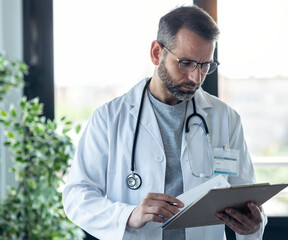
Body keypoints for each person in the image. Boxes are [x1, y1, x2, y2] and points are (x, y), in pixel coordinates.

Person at [62, 5, 267, 240]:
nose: (195, 77)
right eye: (186, 63)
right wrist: (129, 215)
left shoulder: (225, 117)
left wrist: (253, 226)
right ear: (156, 53)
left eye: (205, 66)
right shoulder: (109, 118)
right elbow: (77, 196)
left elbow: (246, 195)